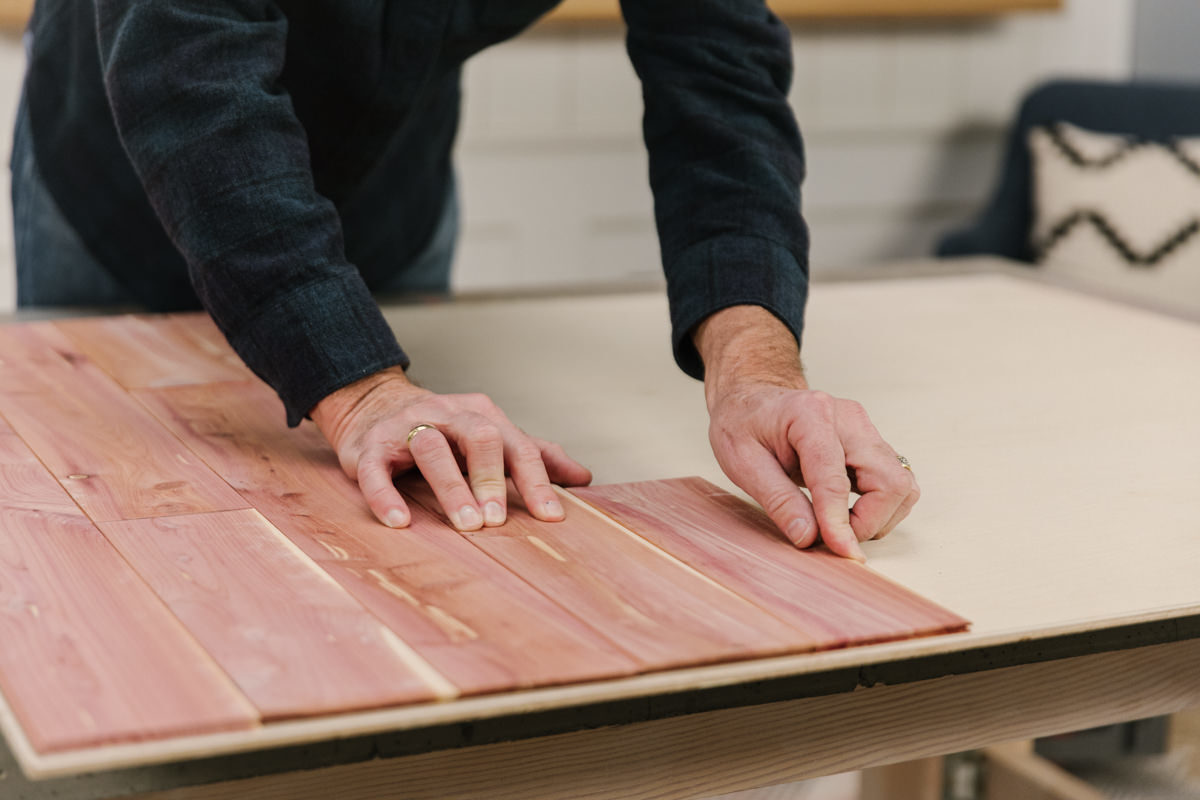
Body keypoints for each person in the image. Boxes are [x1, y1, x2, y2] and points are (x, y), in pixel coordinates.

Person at [11, 0, 918, 561]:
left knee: (384, 555)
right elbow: (188, 77)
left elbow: (718, 74)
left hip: (385, 192)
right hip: (121, 190)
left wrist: (756, 368)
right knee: (118, 552)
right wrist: (359, 389)